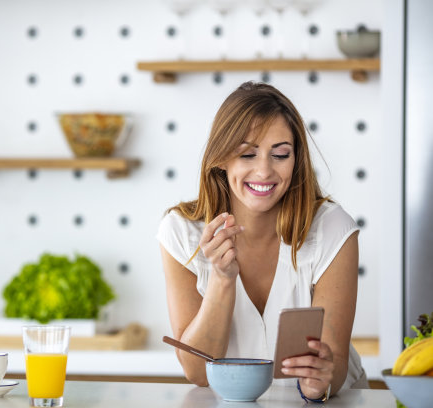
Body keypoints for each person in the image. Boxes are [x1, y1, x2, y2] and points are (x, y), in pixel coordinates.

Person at [157, 81, 367, 401]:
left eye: (280, 154)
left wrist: (319, 382)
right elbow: (198, 372)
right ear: (220, 159)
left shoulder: (333, 229)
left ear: (296, 159)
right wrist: (223, 280)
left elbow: (334, 362)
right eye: (248, 154)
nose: (264, 170)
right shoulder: (181, 233)